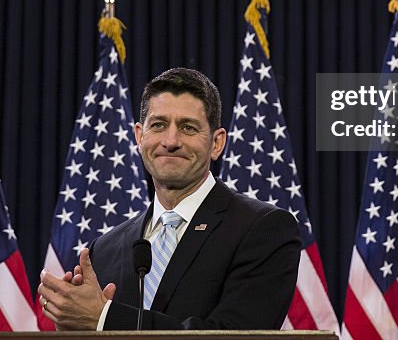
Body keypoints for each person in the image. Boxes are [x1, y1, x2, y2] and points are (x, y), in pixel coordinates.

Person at [38, 67, 301, 330]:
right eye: (159, 125)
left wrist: (104, 319)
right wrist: (78, 332)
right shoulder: (104, 249)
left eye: (188, 127)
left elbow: (235, 336)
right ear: (140, 137)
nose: (171, 141)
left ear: (217, 143)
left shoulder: (264, 229)